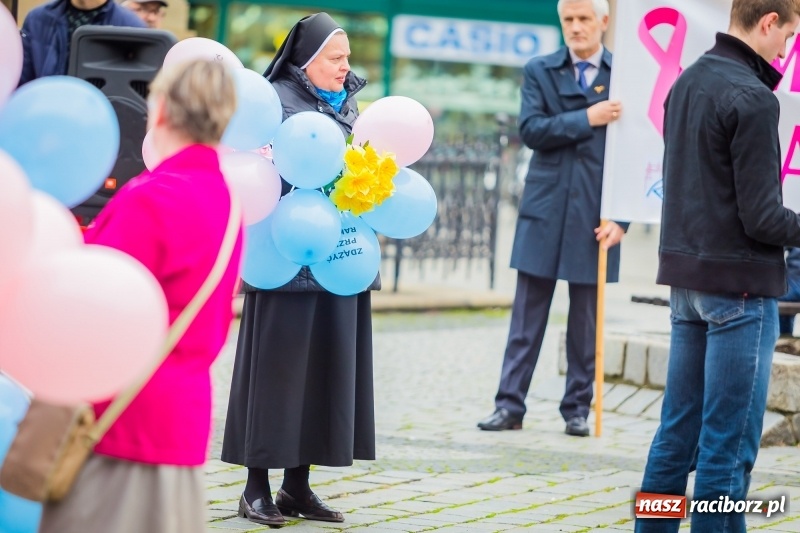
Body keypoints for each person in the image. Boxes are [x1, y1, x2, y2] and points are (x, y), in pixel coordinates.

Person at [39, 59, 243, 533]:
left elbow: (90, 300)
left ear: (162, 110)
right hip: (182, 419)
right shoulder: (227, 199)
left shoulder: (151, 195)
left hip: (121, 420)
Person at [636, 1, 800, 531]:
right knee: (726, 450)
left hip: (687, 286)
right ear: (769, 21)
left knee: (675, 434)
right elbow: (763, 219)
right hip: (740, 290)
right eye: (790, 35)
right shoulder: (753, 97)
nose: (787, 49)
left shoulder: (686, 82)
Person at [221, 12, 375, 527]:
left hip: (337, 258)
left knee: (321, 373)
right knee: (277, 376)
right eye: (336, 57)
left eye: (347, 56)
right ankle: (255, 488)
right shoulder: (278, 103)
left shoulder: (346, 103)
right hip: (285, 258)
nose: (344, 66)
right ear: (306, 62)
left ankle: (297, 487)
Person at [477, 0, 625, 438]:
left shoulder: (625, 77)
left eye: (584, 19)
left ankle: (577, 410)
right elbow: (533, 130)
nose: (576, 28)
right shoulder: (540, 69)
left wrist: (623, 220)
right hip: (545, 210)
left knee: (585, 323)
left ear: (603, 20)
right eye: (568, 20)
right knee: (526, 319)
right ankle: (509, 406)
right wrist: (588, 118)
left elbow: (639, 153)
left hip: (597, 215)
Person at [19, 0, 145, 85]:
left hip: (102, 119)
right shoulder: (37, 20)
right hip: (47, 116)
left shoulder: (131, 27)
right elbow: (22, 85)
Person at [778, 247, 800, 336]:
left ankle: (785, 335)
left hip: (793, 284)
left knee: (774, 299)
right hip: (793, 283)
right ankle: (785, 335)